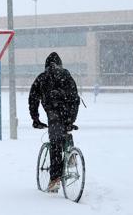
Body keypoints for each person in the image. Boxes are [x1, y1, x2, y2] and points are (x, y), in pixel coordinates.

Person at [29, 52, 80, 193]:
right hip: (69, 111)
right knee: (66, 127)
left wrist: (36, 119)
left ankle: (55, 179)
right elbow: (75, 97)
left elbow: (33, 99)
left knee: (55, 144)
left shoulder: (42, 78)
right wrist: (72, 118)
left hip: (53, 114)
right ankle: (71, 156)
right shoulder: (66, 75)